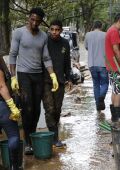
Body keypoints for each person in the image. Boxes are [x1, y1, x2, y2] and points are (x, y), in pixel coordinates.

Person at [9, 7, 59, 155]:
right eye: (32, 19)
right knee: (28, 108)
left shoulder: (43, 36)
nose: (34, 23)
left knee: (37, 109)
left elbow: (46, 58)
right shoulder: (19, 33)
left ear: (40, 21)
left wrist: (53, 75)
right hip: (24, 74)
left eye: (37, 21)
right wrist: (13, 77)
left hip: (38, 75)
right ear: (29, 18)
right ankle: (27, 143)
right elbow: (12, 55)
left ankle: (32, 136)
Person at [43, 19, 72, 148]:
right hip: (46, 81)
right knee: (49, 109)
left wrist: (69, 78)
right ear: (49, 30)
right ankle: (54, 138)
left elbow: (67, 63)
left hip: (60, 81)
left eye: (57, 30)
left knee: (57, 109)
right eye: (52, 29)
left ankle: (54, 135)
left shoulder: (65, 43)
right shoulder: (44, 42)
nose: (54, 32)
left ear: (60, 30)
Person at [105, 13, 120, 122]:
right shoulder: (114, 31)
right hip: (116, 67)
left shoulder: (112, 30)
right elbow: (116, 50)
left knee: (115, 90)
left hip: (112, 66)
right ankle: (116, 116)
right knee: (119, 91)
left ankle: (115, 116)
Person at [0, 57, 21, 170]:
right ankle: (14, 167)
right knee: (13, 136)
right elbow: (1, 86)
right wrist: (12, 106)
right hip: (2, 107)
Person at [84, 21, 109, 117]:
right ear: (101, 26)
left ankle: (98, 106)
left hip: (92, 64)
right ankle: (101, 97)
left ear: (93, 26)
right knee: (105, 83)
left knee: (96, 84)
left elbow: (86, 47)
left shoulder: (88, 35)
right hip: (103, 63)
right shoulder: (105, 35)